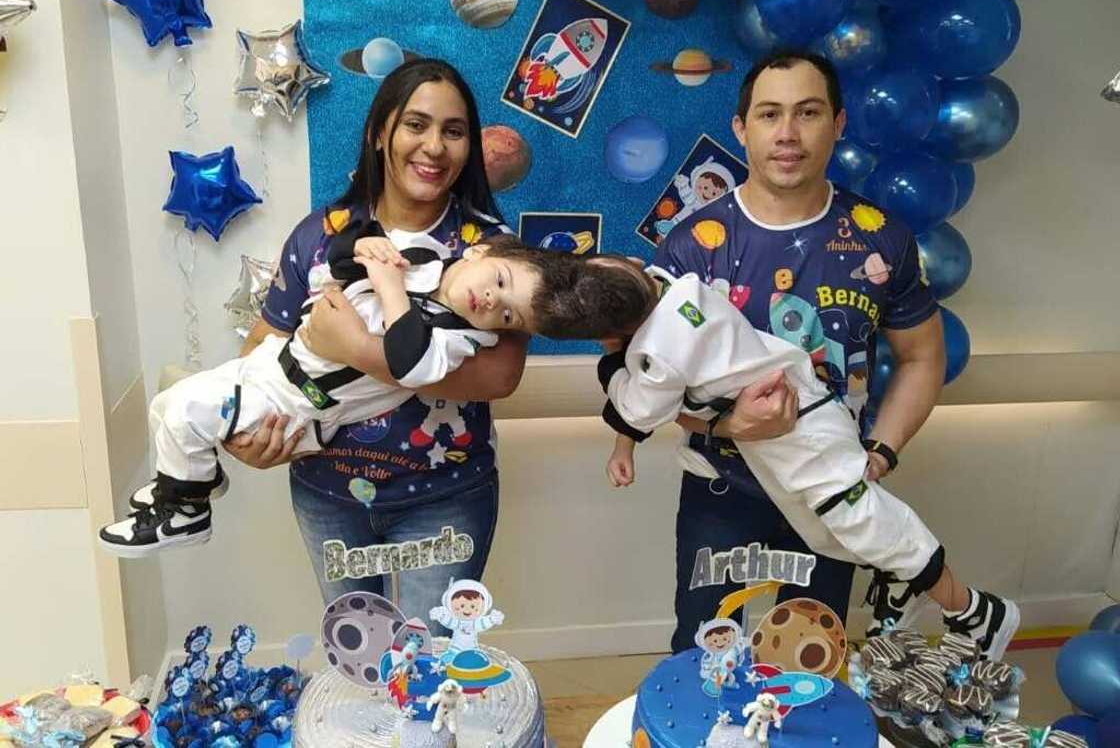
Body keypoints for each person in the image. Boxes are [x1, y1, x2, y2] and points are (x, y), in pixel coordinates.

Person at [645, 49, 971, 651]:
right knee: (702, 653)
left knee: (810, 664)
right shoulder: (692, 248)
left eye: (808, 112)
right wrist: (727, 425)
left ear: (838, 123)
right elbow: (650, 385)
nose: (788, 134)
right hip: (722, 488)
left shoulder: (881, 237)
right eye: (769, 115)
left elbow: (923, 358)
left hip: (831, 493)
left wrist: (880, 454)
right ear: (742, 129)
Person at [214, 59, 535, 624]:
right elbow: (262, 344)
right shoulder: (323, 234)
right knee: (357, 658)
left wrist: (356, 347)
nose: (434, 146)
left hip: (445, 496)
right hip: (328, 494)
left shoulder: (491, 250)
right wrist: (246, 431)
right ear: (379, 133)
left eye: (453, 131)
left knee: (428, 667)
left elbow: (499, 377)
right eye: (416, 125)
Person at [594, 259, 1019, 659]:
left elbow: (641, 406)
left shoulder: (660, 351)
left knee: (868, 527)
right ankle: (902, 581)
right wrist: (624, 444)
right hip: (766, 453)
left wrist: (612, 361)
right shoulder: (681, 287)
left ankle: (975, 611)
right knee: (827, 535)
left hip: (804, 437)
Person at [96, 225, 605, 556]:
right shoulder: (425, 259)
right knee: (168, 404)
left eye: (508, 313)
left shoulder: (459, 338)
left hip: (299, 404)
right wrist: (363, 246)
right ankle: (191, 485)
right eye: (496, 279)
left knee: (186, 412)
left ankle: (185, 514)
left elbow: (406, 360)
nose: (490, 300)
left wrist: (386, 288)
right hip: (272, 369)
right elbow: (337, 264)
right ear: (480, 252)